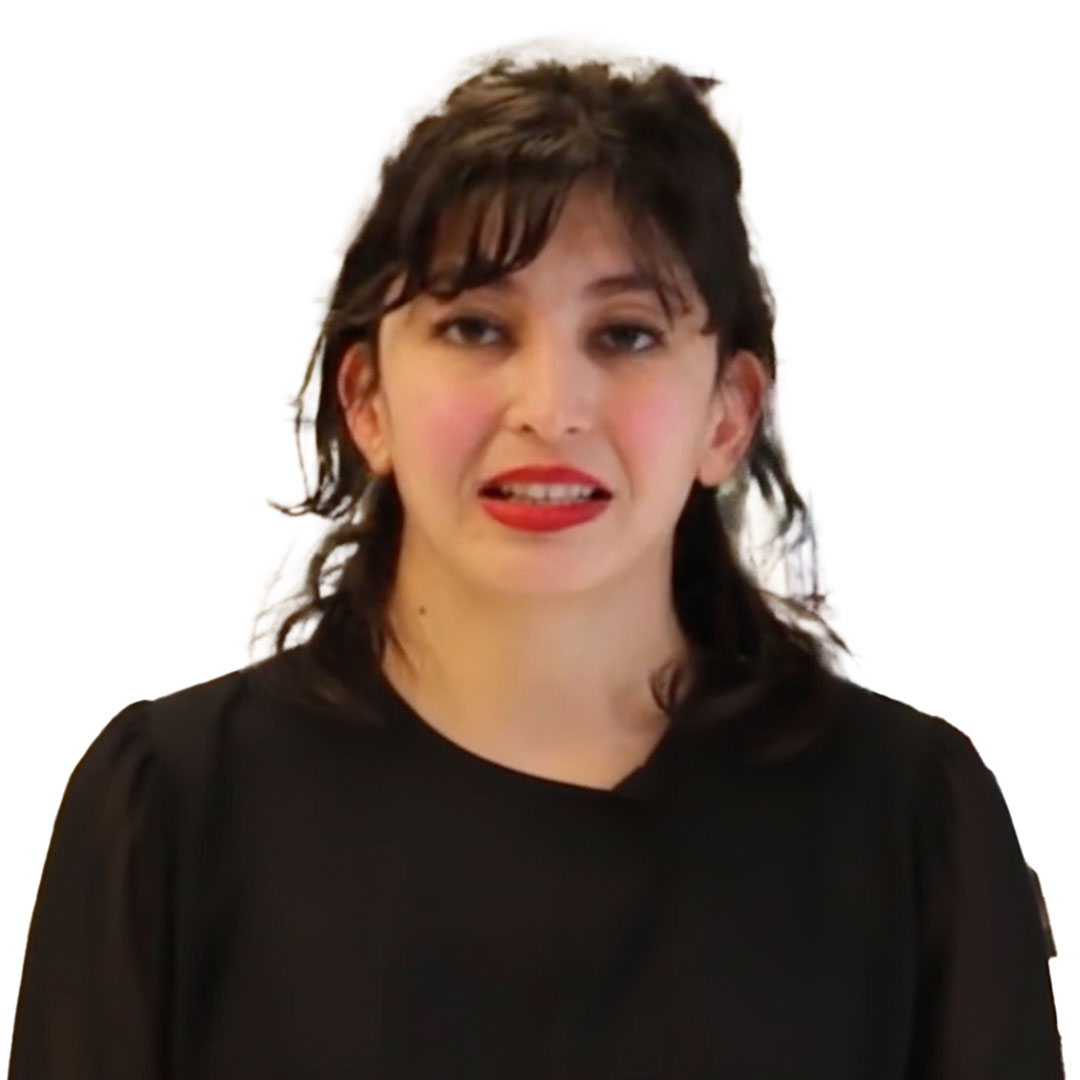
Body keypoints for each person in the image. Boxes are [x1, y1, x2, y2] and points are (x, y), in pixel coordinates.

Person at [8, 49, 1063, 1078]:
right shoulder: (172, 814)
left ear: (729, 414)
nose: (551, 409)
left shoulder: (908, 826)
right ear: (366, 401)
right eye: (476, 327)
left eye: (627, 334)